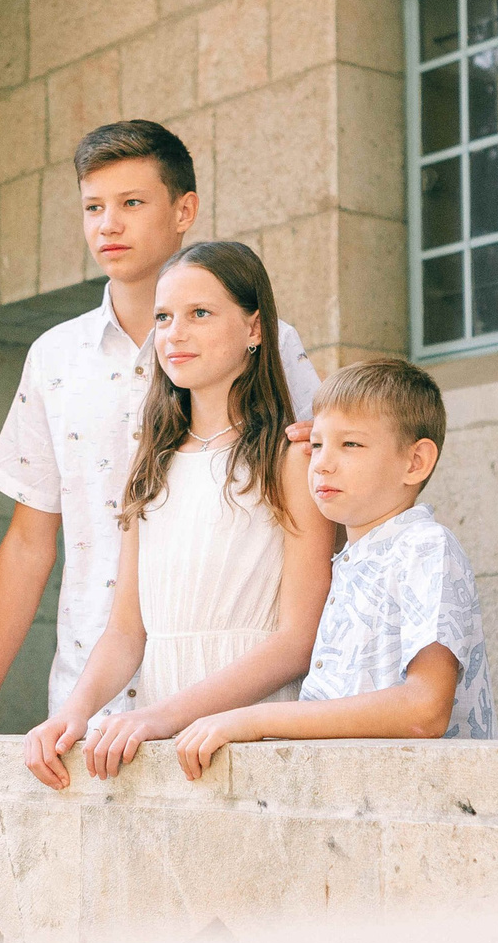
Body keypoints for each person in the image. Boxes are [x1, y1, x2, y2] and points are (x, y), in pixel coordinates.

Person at [0, 122, 319, 737]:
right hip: (90, 694)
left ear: (184, 210)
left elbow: (324, 510)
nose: (109, 225)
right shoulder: (53, 357)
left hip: (234, 697)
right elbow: (29, 541)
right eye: (93, 207)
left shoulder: (270, 344)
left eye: (131, 203)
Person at [20, 242, 335, 789]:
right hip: (164, 743)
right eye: (164, 318)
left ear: (256, 329)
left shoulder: (291, 462)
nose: (174, 334)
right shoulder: (150, 469)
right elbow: (124, 632)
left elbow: (297, 640)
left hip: (254, 738)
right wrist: (73, 712)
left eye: (200, 314)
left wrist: (165, 717)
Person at [172, 357, 497, 777]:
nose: (323, 463)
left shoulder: (424, 546)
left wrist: (253, 719)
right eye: (318, 445)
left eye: (351, 445)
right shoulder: (350, 561)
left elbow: (424, 708)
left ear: (415, 462)